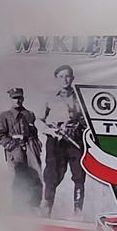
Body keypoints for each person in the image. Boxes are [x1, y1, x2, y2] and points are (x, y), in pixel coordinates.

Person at [40, 65, 87, 218]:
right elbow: (38, 121)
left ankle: (78, 212)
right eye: (61, 77)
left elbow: (87, 119)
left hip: (75, 139)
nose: (65, 79)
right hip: (56, 141)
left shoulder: (80, 96)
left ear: (72, 78)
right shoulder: (49, 97)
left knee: (79, 176)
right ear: (56, 79)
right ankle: (46, 211)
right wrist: (50, 131)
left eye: (68, 76)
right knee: (52, 176)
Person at [0, 87, 43, 212]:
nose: (17, 100)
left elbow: (34, 133)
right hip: (15, 151)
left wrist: (35, 146)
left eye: (20, 97)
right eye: (14, 98)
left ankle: (34, 207)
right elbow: (0, 136)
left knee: (35, 176)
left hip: (30, 148)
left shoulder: (29, 114)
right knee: (18, 179)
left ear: (23, 98)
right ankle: (17, 207)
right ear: (10, 99)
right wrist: (13, 146)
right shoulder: (4, 116)